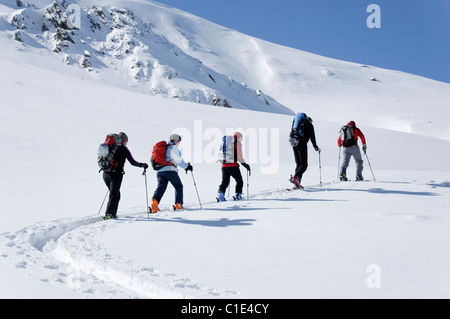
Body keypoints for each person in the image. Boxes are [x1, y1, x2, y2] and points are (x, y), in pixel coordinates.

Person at [102, 132, 148, 220]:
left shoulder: (109, 148)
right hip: (116, 175)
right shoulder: (124, 149)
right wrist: (143, 165)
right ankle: (109, 214)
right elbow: (133, 162)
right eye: (126, 141)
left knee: (115, 194)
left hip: (105, 174)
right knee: (114, 195)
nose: (126, 143)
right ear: (123, 141)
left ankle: (113, 213)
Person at [151, 133, 193, 213]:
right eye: (178, 141)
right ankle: (178, 204)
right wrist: (187, 166)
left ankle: (154, 205)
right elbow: (178, 160)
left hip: (160, 171)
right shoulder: (173, 148)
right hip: (170, 170)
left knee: (160, 188)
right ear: (175, 140)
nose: (179, 142)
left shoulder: (164, 148)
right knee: (178, 186)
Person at [289, 113, 321, 189]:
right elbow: (312, 137)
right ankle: (296, 178)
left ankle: (296, 183)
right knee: (304, 165)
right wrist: (316, 147)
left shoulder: (296, 123)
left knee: (298, 164)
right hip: (301, 143)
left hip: (293, 142)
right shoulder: (309, 125)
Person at [217, 131, 251, 201]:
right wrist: (246, 165)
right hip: (233, 165)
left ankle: (220, 194)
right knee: (239, 181)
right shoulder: (237, 143)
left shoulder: (226, 142)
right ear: (238, 137)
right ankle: (238, 195)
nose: (241, 140)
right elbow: (240, 157)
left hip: (224, 166)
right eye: (241, 138)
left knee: (225, 182)